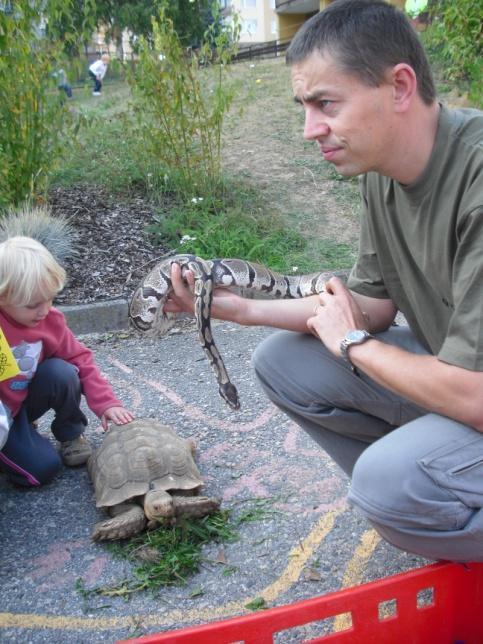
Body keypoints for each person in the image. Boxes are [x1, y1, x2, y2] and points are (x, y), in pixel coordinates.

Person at [165, 0, 483, 563]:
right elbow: (369, 304)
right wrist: (238, 308)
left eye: (325, 104)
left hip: (474, 394)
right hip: (464, 387)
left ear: (400, 87)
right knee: (284, 362)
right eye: (304, 106)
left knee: (387, 484)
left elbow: (473, 395)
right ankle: (430, 500)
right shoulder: (383, 173)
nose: (310, 130)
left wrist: (352, 343)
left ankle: (416, 498)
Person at [0, 236, 134, 486]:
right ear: (2, 297)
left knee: (62, 372)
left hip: (21, 404)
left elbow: (81, 359)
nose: (44, 310)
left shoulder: (49, 320)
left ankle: (70, 434)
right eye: (32, 305)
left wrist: (106, 403)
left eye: (50, 299)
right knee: (41, 470)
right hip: (2, 412)